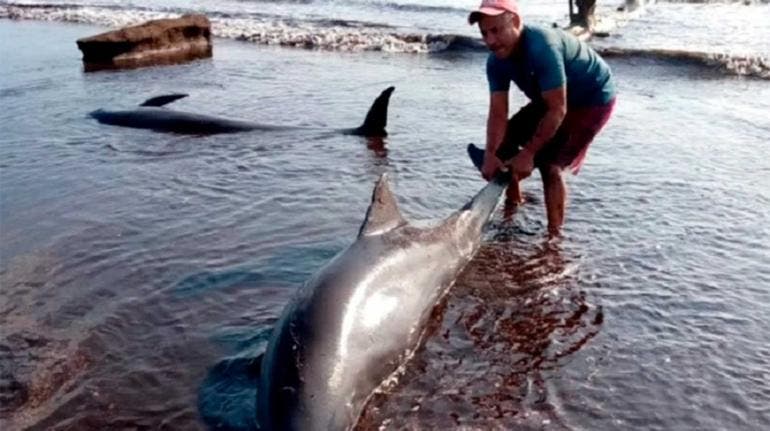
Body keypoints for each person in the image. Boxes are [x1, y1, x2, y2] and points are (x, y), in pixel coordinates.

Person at [468, 0, 616, 236]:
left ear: (515, 22)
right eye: (484, 33)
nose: (490, 41)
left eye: (496, 30)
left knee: (549, 162)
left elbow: (557, 109)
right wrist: (489, 155)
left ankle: (554, 238)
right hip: (552, 98)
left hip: (592, 98)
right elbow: (497, 112)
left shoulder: (542, 46)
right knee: (506, 141)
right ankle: (514, 200)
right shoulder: (495, 61)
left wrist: (528, 153)